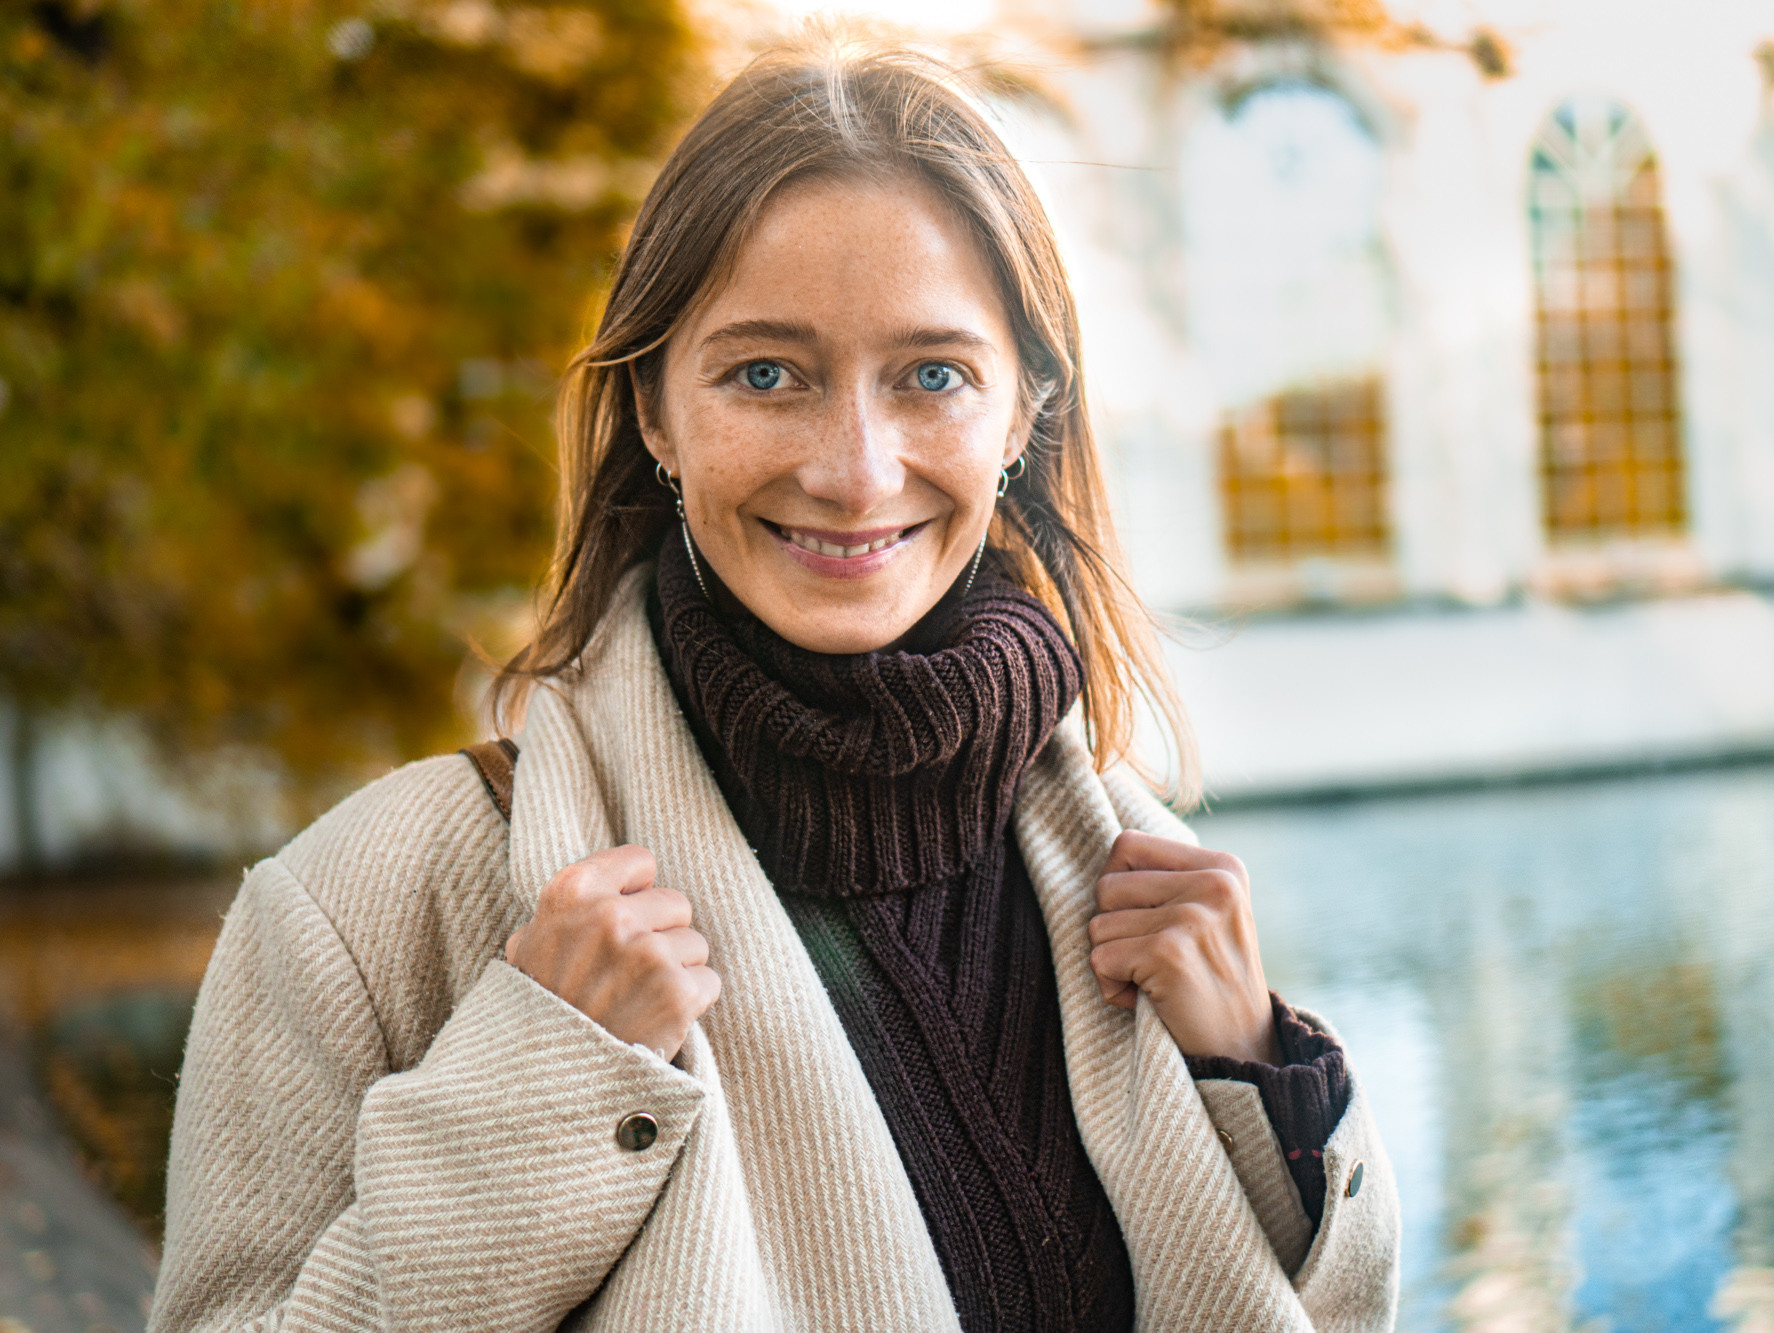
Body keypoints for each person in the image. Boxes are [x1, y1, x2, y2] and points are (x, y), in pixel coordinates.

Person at [150, 38, 1398, 1333]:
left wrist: (1265, 1082)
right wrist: (539, 1094)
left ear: (1022, 413)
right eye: (766, 374)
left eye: (933, 375)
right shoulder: (363, 909)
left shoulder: (1138, 874)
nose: (855, 471)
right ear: (653, 409)